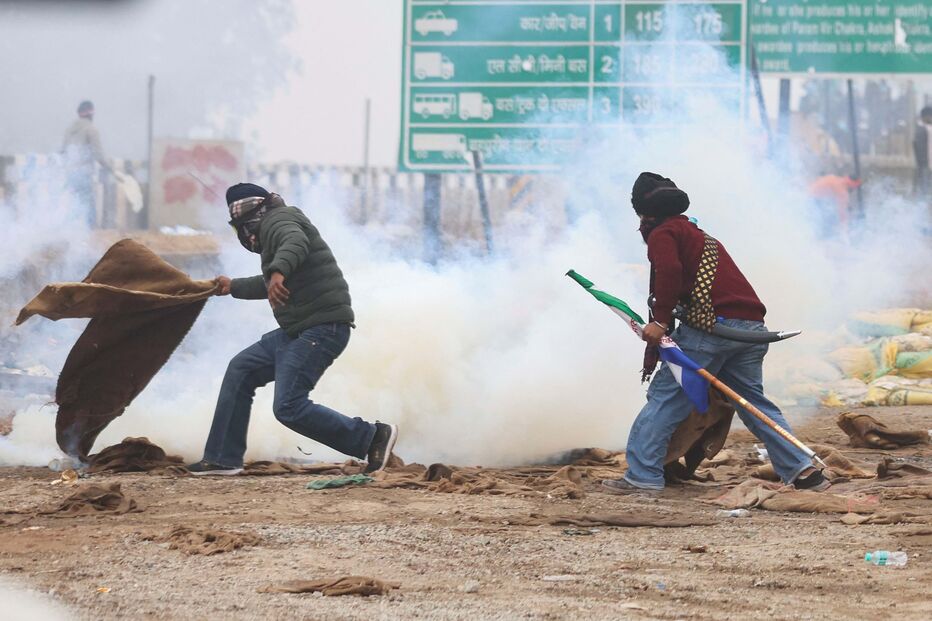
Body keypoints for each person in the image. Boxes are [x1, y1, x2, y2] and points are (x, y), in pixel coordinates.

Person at [602, 172, 829, 494]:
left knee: (666, 397)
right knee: (754, 405)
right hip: (751, 330)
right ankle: (804, 471)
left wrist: (660, 322)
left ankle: (642, 477)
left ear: (643, 212)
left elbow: (669, 272)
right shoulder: (697, 234)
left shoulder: (664, 233)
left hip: (711, 331)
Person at [187, 183, 398, 475]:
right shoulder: (274, 231)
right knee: (241, 369)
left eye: (240, 228)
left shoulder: (280, 220)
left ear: (249, 217)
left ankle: (372, 438)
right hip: (298, 330)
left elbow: (294, 242)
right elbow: (272, 283)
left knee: (288, 406)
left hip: (321, 328)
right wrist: (232, 286)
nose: (243, 236)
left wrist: (277, 272)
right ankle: (222, 458)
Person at [61, 100, 111, 226]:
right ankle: (90, 229)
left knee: (73, 202)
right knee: (88, 203)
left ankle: (70, 228)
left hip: (70, 172)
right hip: (84, 173)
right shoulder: (91, 129)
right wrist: (108, 166)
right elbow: (98, 153)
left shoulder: (69, 130)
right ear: (91, 114)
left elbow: (63, 151)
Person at [913, 106, 932, 199]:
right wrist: (922, 164)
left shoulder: (927, 128)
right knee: (924, 191)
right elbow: (919, 148)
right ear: (925, 117)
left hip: (927, 165)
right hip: (925, 166)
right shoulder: (922, 129)